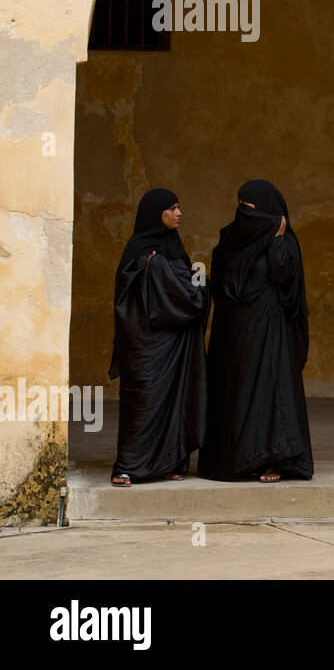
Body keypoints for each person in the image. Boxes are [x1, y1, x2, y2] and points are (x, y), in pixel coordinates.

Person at [198, 179, 313, 482]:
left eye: (251, 209)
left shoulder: (284, 241)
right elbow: (222, 282)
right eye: (242, 208)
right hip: (235, 337)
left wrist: (276, 240)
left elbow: (285, 277)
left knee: (270, 395)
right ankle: (239, 459)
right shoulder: (231, 240)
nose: (245, 215)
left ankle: (272, 459)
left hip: (271, 334)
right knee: (237, 394)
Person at [109, 188, 208, 487]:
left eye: (179, 207)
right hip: (145, 345)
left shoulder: (172, 247)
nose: (179, 213)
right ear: (157, 213)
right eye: (173, 208)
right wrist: (156, 270)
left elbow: (192, 292)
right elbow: (128, 299)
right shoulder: (138, 251)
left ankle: (169, 461)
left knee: (173, 400)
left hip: (174, 344)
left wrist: (179, 276)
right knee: (143, 402)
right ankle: (128, 466)